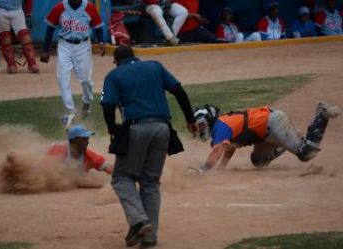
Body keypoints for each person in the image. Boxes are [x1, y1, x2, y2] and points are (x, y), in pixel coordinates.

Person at [100, 46, 197, 248]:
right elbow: (178, 90)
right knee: (150, 181)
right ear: (135, 56)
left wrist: (112, 129)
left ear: (116, 61)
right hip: (163, 128)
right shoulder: (155, 66)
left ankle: (138, 221)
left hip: (136, 128)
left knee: (121, 177)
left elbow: (108, 105)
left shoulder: (114, 74)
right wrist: (190, 119)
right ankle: (149, 236)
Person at [188, 102, 340, 174]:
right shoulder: (221, 127)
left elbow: (217, 151)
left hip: (273, 123)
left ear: (208, 120)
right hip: (264, 134)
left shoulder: (220, 127)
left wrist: (203, 170)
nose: (199, 129)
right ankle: (286, 142)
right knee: (259, 162)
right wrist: (221, 168)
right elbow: (229, 148)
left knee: (306, 153)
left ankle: (322, 114)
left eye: (200, 125)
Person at [40, 0, 105, 127]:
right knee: (62, 77)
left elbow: (98, 26)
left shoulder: (89, 7)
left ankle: (87, 101)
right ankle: (70, 111)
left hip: (83, 45)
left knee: (86, 80)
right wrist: (46, 50)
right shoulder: (59, 7)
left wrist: (102, 41)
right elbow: (50, 28)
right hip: (64, 45)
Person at [0, 0, 39, 74]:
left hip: (17, 9)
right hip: (0, 9)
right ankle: (11, 65)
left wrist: (28, 14)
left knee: (25, 38)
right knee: (5, 39)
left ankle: (32, 63)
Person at [47, 125, 113, 174]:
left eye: (87, 139)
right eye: (84, 139)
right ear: (74, 140)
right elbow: (46, 171)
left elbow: (110, 168)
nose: (87, 142)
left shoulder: (89, 156)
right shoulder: (57, 150)